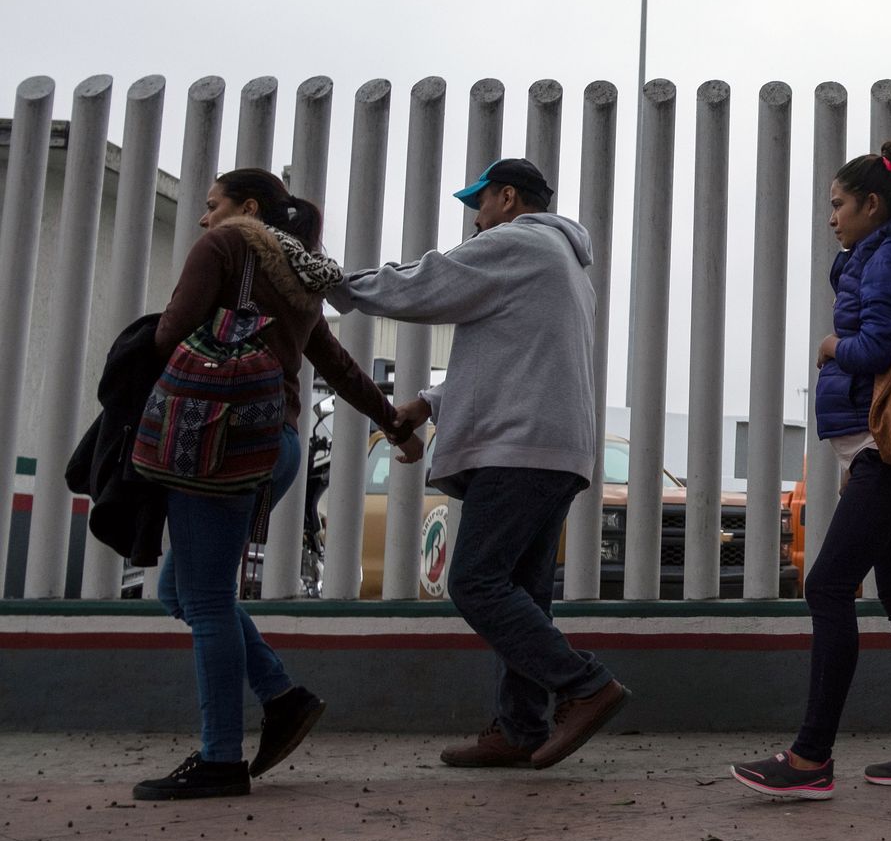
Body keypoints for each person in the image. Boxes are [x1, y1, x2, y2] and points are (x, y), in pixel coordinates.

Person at [327, 157, 630, 771]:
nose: (476, 219)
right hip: (553, 447)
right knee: (522, 593)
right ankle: (520, 729)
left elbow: (426, 283)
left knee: (476, 582)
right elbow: (514, 359)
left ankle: (584, 684)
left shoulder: (516, 241)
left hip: (518, 449)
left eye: (481, 204)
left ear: (509, 197)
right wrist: (429, 403)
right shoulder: (566, 264)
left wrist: (336, 285)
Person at [135, 170, 417, 801]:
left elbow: (167, 335)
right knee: (179, 591)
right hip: (277, 445)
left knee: (202, 600)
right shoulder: (297, 273)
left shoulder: (223, 247)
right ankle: (283, 698)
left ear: (248, 207)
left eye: (213, 206)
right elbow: (338, 365)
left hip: (217, 442)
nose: (205, 219)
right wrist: (390, 423)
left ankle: (220, 761)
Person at [730, 141, 891, 801]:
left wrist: (832, 348)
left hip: (888, 452)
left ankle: (810, 760)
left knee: (829, 588)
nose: (831, 218)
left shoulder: (888, 254)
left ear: (870, 203)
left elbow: (881, 346)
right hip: (887, 452)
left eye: (837, 204)